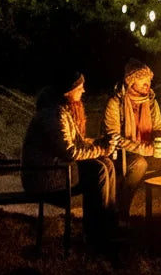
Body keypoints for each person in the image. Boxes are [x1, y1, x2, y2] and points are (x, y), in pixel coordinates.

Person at [21, 70, 119, 246]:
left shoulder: (61, 111)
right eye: (80, 88)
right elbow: (71, 151)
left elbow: (77, 143)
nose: (83, 91)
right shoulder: (53, 114)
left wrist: (99, 144)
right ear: (68, 91)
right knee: (97, 170)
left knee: (106, 164)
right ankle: (96, 236)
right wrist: (101, 148)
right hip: (43, 178)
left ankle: (108, 226)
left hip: (54, 169)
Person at [102, 58, 161, 216]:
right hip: (123, 155)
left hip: (148, 151)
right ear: (131, 82)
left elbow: (160, 129)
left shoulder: (151, 102)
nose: (147, 85)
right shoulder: (116, 103)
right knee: (139, 164)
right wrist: (142, 149)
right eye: (143, 82)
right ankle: (120, 212)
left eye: (149, 81)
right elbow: (113, 137)